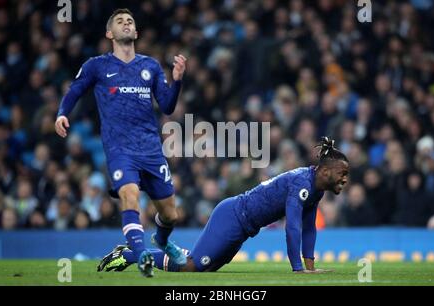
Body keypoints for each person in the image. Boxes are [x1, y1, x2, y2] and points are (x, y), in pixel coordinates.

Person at [55, 8, 187, 277]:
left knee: (171, 215)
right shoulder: (97, 66)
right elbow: (75, 91)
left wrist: (177, 82)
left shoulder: (150, 66)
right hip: (120, 149)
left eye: (130, 21)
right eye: (120, 21)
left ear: (136, 32)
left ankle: (160, 241)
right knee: (129, 194)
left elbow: (168, 106)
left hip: (151, 149)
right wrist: (61, 114)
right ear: (109, 33)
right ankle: (141, 258)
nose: (126, 23)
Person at [98, 137, 349, 274]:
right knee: (193, 266)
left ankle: (144, 253)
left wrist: (311, 267)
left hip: (242, 225)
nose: (345, 179)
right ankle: (128, 255)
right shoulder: (301, 184)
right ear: (325, 171)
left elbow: (308, 228)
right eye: (342, 173)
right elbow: (292, 227)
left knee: (203, 267)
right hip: (233, 217)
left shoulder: (314, 188)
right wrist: (298, 270)